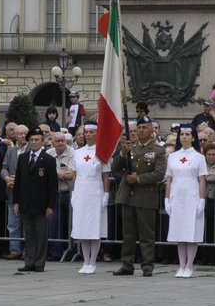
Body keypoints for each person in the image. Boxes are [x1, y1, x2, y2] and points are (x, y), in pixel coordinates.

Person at [112, 117, 164, 277]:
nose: (140, 130)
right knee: (128, 233)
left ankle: (147, 266)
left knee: (146, 234)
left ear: (151, 131)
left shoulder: (158, 151)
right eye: (139, 127)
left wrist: (139, 179)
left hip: (145, 197)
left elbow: (159, 173)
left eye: (144, 128)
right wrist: (122, 153)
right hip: (127, 195)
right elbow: (115, 167)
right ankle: (127, 264)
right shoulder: (130, 148)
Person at [164, 126, 206, 277]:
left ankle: (189, 266)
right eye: (182, 134)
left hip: (192, 196)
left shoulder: (199, 157)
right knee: (179, 232)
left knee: (191, 231)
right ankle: (181, 265)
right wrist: (166, 199)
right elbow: (169, 180)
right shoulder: (173, 156)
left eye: (188, 134)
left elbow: (202, 180)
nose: (184, 137)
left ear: (193, 138)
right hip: (177, 196)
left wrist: (202, 200)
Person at [12, 129, 55, 273]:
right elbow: (18, 181)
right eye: (31, 140)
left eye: (37, 140)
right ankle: (29, 261)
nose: (34, 142)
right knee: (29, 234)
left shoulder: (48, 160)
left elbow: (52, 185)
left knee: (41, 235)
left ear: (42, 142)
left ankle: (39, 263)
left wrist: (50, 205)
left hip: (41, 204)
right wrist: (16, 201)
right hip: (25, 202)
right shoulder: (23, 158)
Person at [68, 127, 108, 273]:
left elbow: (105, 175)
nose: (89, 135)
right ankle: (85, 261)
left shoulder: (102, 152)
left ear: (97, 133)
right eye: (87, 132)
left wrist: (106, 194)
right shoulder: (77, 152)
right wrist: (73, 193)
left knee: (94, 228)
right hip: (81, 192)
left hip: (95, 191)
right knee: (82, 227)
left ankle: (93, 262)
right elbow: (74, 174)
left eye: (92, 132)